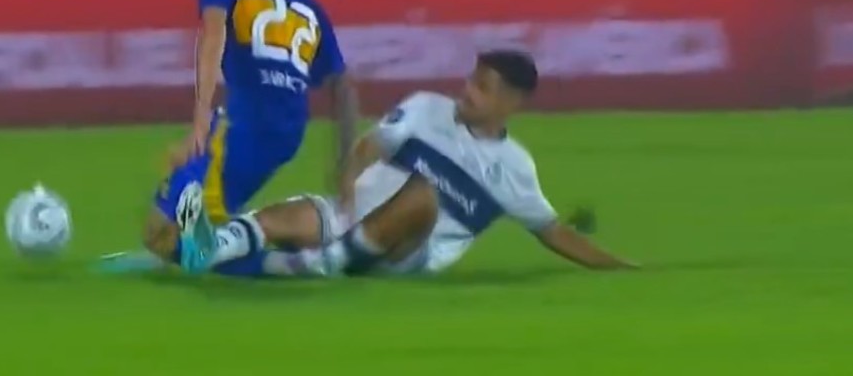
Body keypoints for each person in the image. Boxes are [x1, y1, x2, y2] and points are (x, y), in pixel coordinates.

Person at [204, 50, 638, 277]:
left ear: (510, 102)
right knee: (281, 218)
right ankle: (199, 253)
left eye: (482, 87)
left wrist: (620, 268)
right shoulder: (426, 108)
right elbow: (370, 147)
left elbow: (554, 232)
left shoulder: (514, 167)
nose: (467, 91)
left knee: (422, 195)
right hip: (353, 219)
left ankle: (320, 262)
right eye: (471, 80)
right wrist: (349, 183)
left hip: (406, 255)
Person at [100, 0, 359, 274]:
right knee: (197, 226)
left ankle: (293, 262)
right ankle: (273, 240)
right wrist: (344, 169)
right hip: (286, 130)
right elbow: (344, 87)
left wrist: (200, 119)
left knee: (163, 235)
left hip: (244, 123)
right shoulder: (309, 5)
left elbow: (213, 35)